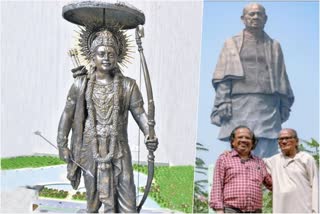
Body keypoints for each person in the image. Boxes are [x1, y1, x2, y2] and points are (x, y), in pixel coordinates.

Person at [57, 28, 158, 213]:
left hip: (118, 148)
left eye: (111, 54)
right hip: (90, 149)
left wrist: (149, 134)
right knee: (93, 200)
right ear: (92, 56)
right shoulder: (81, 85)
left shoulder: (128, 85)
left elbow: (140, 113)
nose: (106, 58)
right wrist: (62, 144)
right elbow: (67, 114)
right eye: (101, 53)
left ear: (117, 57)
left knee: (127, 194)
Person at [210, 3, 294, 158]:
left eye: (259, 14)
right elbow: (223, 76)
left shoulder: (274, 46)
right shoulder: (232, 43)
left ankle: (264, 179)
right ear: (243, 19)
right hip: (239, 102)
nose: (255, 17)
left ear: (265, 18)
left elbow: (282, 77)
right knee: (241, 143)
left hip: (267, 104)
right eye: (251, 14)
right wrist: (223, 101)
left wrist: (284, 104)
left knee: (267, 148)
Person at [210, 126, 272, 213]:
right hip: (231, 210)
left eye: (248, 138)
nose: (244, 140)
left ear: (253, 143)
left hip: (255, 211)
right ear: (233, 142)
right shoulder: (224, 158)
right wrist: (219, 210)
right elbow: (217, 185)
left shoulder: (259, 162)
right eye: (240, 137)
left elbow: (271, 184)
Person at [264, 128, 319, 213]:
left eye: (287, 138)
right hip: (281, 210)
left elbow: (315, 186)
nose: (284, 141)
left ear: (296, 141)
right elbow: (255, 165)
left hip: (304, 210)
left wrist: (316, 211)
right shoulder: (273, 161)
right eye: (281, 139)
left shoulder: (306, 159)